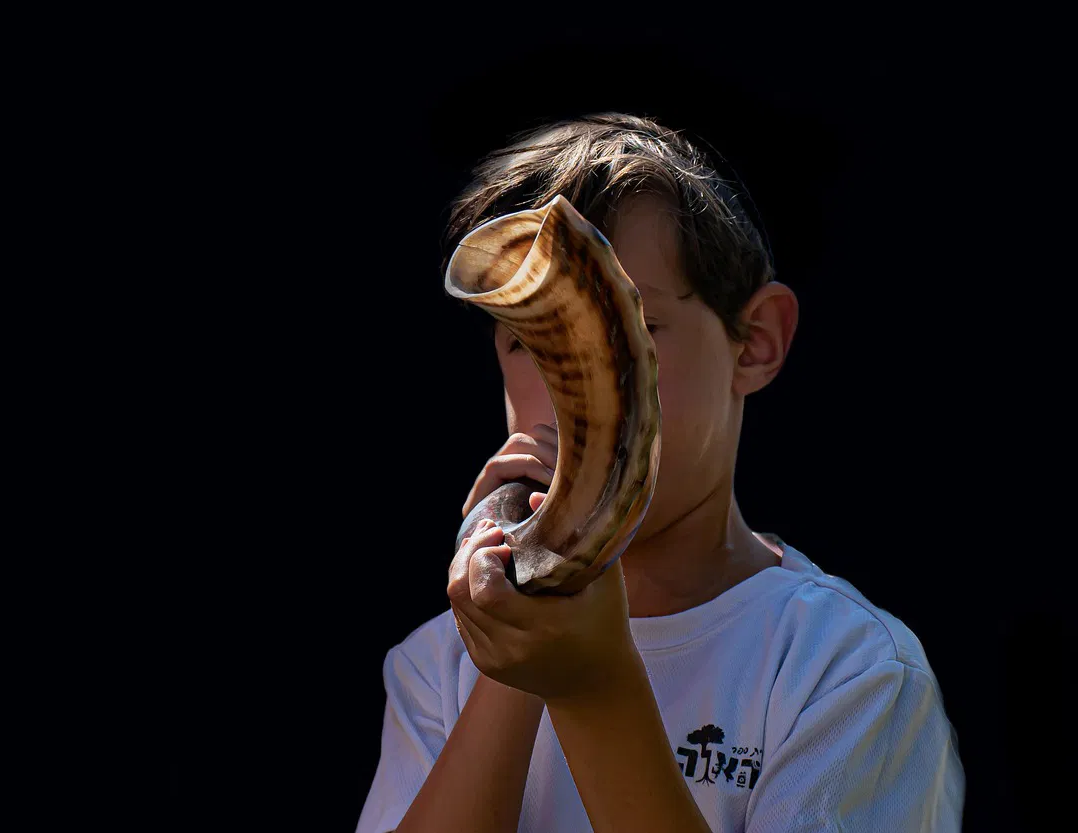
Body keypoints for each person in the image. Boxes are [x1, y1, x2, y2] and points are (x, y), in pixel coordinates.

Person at [355, 112, 964, 833]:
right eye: (525, 341)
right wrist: (515, 652)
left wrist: (593, 686)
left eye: (620, 331)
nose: (568, 394)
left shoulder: (847, 670)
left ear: (755, 343)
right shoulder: (442, 664)